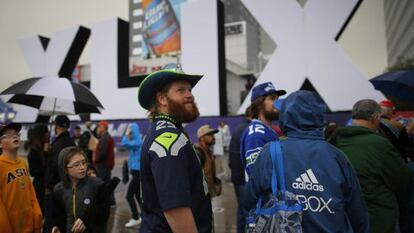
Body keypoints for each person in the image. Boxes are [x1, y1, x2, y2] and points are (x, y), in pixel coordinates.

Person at [243, 90, 370, 232]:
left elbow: (249, 199)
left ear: (286, 116)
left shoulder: (271, 152)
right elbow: (358, 214)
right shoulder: (338, 157)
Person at [137, 64, 212, 233]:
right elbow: (175, 208)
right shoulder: (168, 138)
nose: (190, 95)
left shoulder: (166, 130)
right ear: (162, 99)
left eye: (190, 90)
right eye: (181, 90)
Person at [329, 99, 410, 233]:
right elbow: (402, 179)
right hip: (377, 216)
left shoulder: (334, 141)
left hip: (344, 215)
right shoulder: (380, 144)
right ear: (375, 118)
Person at [51, 146, 116, 233]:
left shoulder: (97, 185)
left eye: (84, 162)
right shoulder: (59, 189)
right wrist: (57, 226)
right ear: (65, 169)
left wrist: (86, 220)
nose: (82, 167)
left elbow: (104, 213)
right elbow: (59, 214)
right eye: (76, 164)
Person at [0, 122, 43, 233]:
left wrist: (37, 217)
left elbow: (30, 191)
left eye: (16, 134)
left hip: (29, 225)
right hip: (10, 228)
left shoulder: (22, 163)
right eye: (8, 135)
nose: (14, 136)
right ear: (0, 144)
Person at [240, 81, 286, 178]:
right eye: (272, 98)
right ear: (259, 104)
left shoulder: (266, 129)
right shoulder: (256, 134)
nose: (277, 102)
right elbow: (259, 177)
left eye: (278, 98)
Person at [44, 115, 76, 232]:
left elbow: (55, 166)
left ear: (57, 126)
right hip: (67, 184)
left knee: (53, 219)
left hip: (56, 187)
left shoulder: (58, 144)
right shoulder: (70, 141)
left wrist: (49, 184)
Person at [229, 106, 251, 233]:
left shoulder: (238, 128)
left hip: (237, 178)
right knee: (245, 214)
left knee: (242, 212)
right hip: (243, 180)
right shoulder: (248, 129)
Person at [121, 123, 144, 228]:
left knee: (129, 196)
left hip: (138, 173)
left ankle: (135, 217)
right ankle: (145, 215)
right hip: (136, 172)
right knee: (137, 195)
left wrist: (126, 134)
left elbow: (124, 143)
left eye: (130, 130)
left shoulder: (137, 141)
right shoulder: (137, 140)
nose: (128, 131)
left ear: (132, 131)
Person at [27, 124, 49, 214]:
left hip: (46, 183)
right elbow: (33, 172)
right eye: (46, 133)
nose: (48, 135)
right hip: (39, 186)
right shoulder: (33, 152)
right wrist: (44, 154)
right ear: (42, 135)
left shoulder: (43, 148)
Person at [195, 124, 222, 198]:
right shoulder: (198, 153)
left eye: (213, 134)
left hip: (208, 193)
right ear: (202, 138)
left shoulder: (208, 151)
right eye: (209, 135)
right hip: (201, 195)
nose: (213, 137)